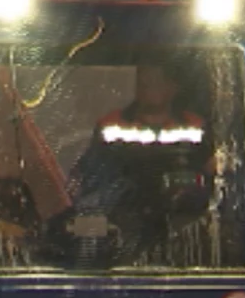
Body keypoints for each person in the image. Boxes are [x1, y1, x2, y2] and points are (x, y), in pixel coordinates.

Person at [70, 62, 211, 254]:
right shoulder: (111, 123)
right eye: (141, 82)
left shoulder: (195, 124)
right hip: (122, 221)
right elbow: (91, 173)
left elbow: (212, 170)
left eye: (154, 82)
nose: (145, 87)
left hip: (183, 226)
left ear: (173, 87)